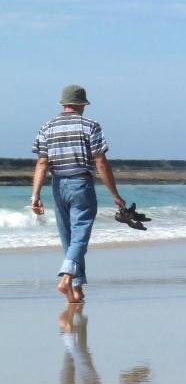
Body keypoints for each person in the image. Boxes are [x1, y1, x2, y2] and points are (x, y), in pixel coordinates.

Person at [30, 85, 125, 304]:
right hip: (81, 183)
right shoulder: (90, 126)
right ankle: (66, 277)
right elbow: (100, 161)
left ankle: (77, 289)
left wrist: (34, 196)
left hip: (57, 184)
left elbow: (42, 162)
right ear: (82, 104)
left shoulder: (47, 126)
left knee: (69, 238)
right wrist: (115, 194)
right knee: (80, 235)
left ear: (63, 104)